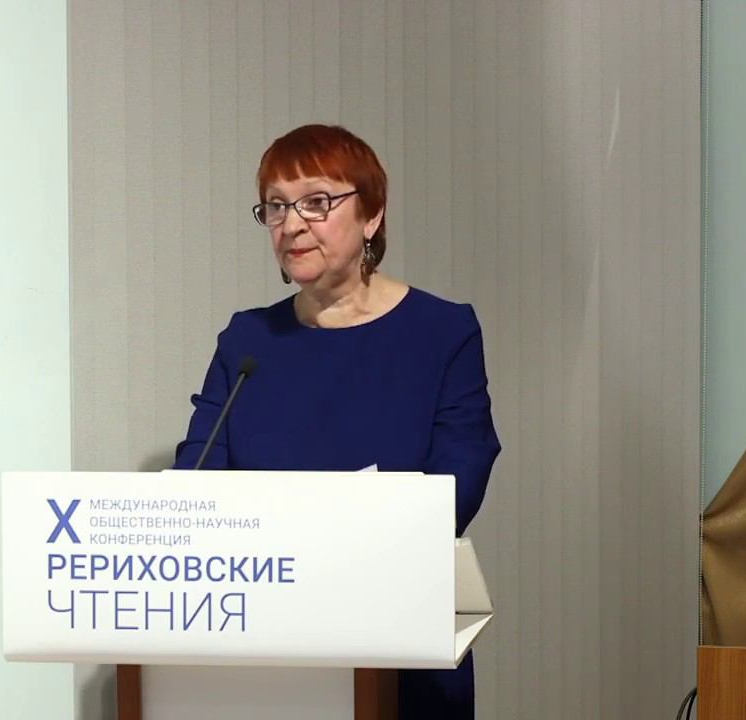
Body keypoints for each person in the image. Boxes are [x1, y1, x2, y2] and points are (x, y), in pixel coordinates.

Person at [173, 124, 500, 720]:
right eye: (276, 206)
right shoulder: (247, 342)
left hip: (400, 645)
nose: (291, 224)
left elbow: (459, 482)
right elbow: (197, 478)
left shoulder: (442, 333)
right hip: (265, 653)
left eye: (317, 202)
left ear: (372, 216)